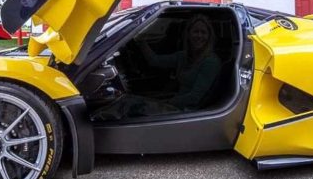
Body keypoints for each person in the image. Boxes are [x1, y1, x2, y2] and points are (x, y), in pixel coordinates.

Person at [92, 14, 221, 120]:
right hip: (175, 103)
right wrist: (141, 40)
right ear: (188, 34)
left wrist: (166, 102)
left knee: (128, 105)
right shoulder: (183, 56)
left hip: (188, 111)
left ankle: (94, 125)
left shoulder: (211, 62)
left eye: (203, 32)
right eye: (195, 31)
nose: (199, 36)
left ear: (209, 36)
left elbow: (195, 97)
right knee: (126, 99)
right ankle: (96, 119)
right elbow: (155, 61)